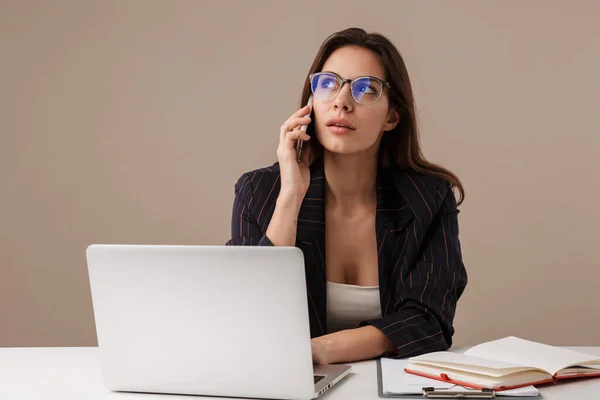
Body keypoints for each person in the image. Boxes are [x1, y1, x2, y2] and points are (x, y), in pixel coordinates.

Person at [225, 27, 468, 365]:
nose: (341, 101)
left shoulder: (428, 199)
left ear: (392, 116)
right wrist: (291, 195)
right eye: (327, 84)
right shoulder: (259, 192)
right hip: (286, 386)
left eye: (365, 89)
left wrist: (317, 350)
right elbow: (250, 313)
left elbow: (429, 322)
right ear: (310, 103)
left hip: (388, 388)